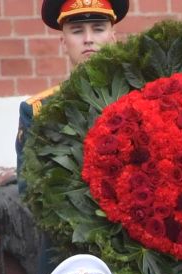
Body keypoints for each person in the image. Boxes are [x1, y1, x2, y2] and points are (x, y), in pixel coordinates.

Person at [19, 2, 124, 180]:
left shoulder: (139, 99)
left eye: (98, 29)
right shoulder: (38, 110)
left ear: (113, 39)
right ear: (64, 42)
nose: (88, 39)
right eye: (77, 31)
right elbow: (29, 189)